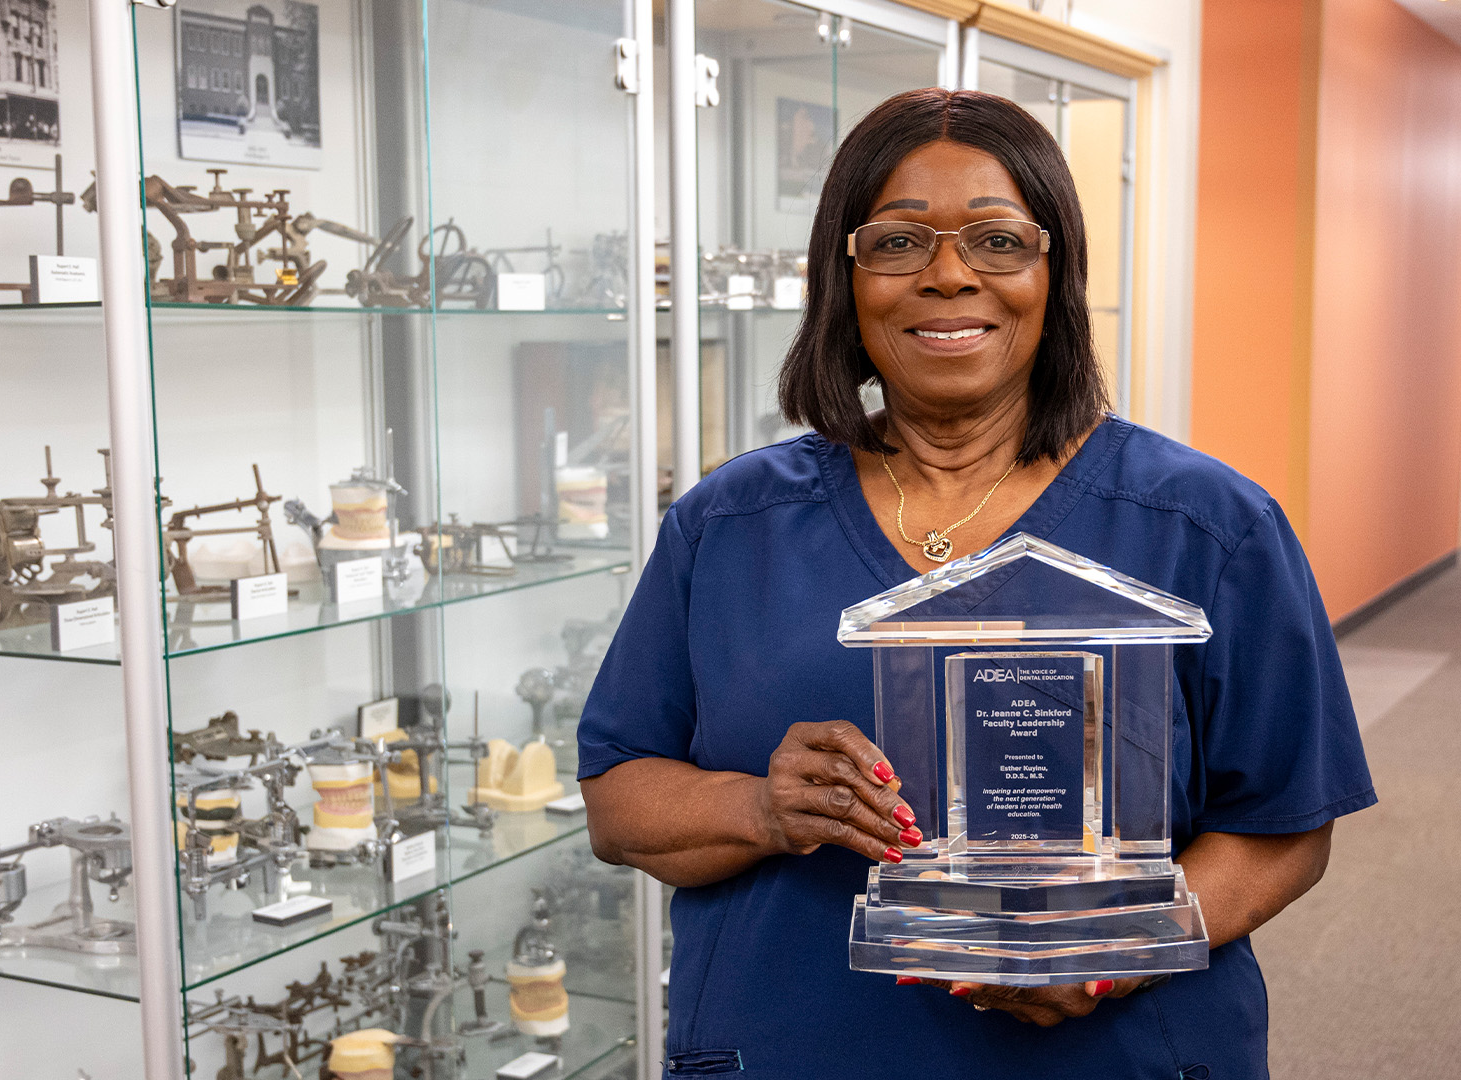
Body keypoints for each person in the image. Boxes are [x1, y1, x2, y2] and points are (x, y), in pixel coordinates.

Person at [576, 88, 1375, 1078]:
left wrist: (1111, 949)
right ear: (845, 274)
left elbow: (1286, 829)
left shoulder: (1208, 526)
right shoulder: (730, 525)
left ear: (1056, 273)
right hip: (796, 1044)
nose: (949, 277)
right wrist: (763, 809)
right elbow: (619, 798)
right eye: (899, 243)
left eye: (998, 242)